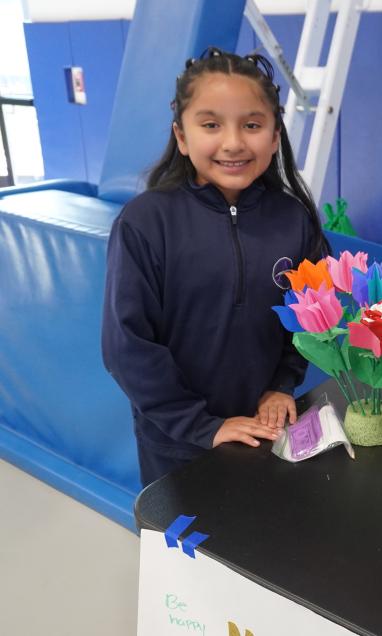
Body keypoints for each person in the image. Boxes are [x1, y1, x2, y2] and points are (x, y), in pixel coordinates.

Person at [102, 47, 329, 487]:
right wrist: (201, 426)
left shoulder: (293, 220)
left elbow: (308, 319)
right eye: (211, 125)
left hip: (266, 427)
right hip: (176, 445)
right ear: (182, 137)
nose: (233, 142)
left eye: (252, 125)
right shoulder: (145, 222)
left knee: (261, 527)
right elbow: (127, 346)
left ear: (275, 135)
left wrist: (282, 385)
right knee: (190, 532)